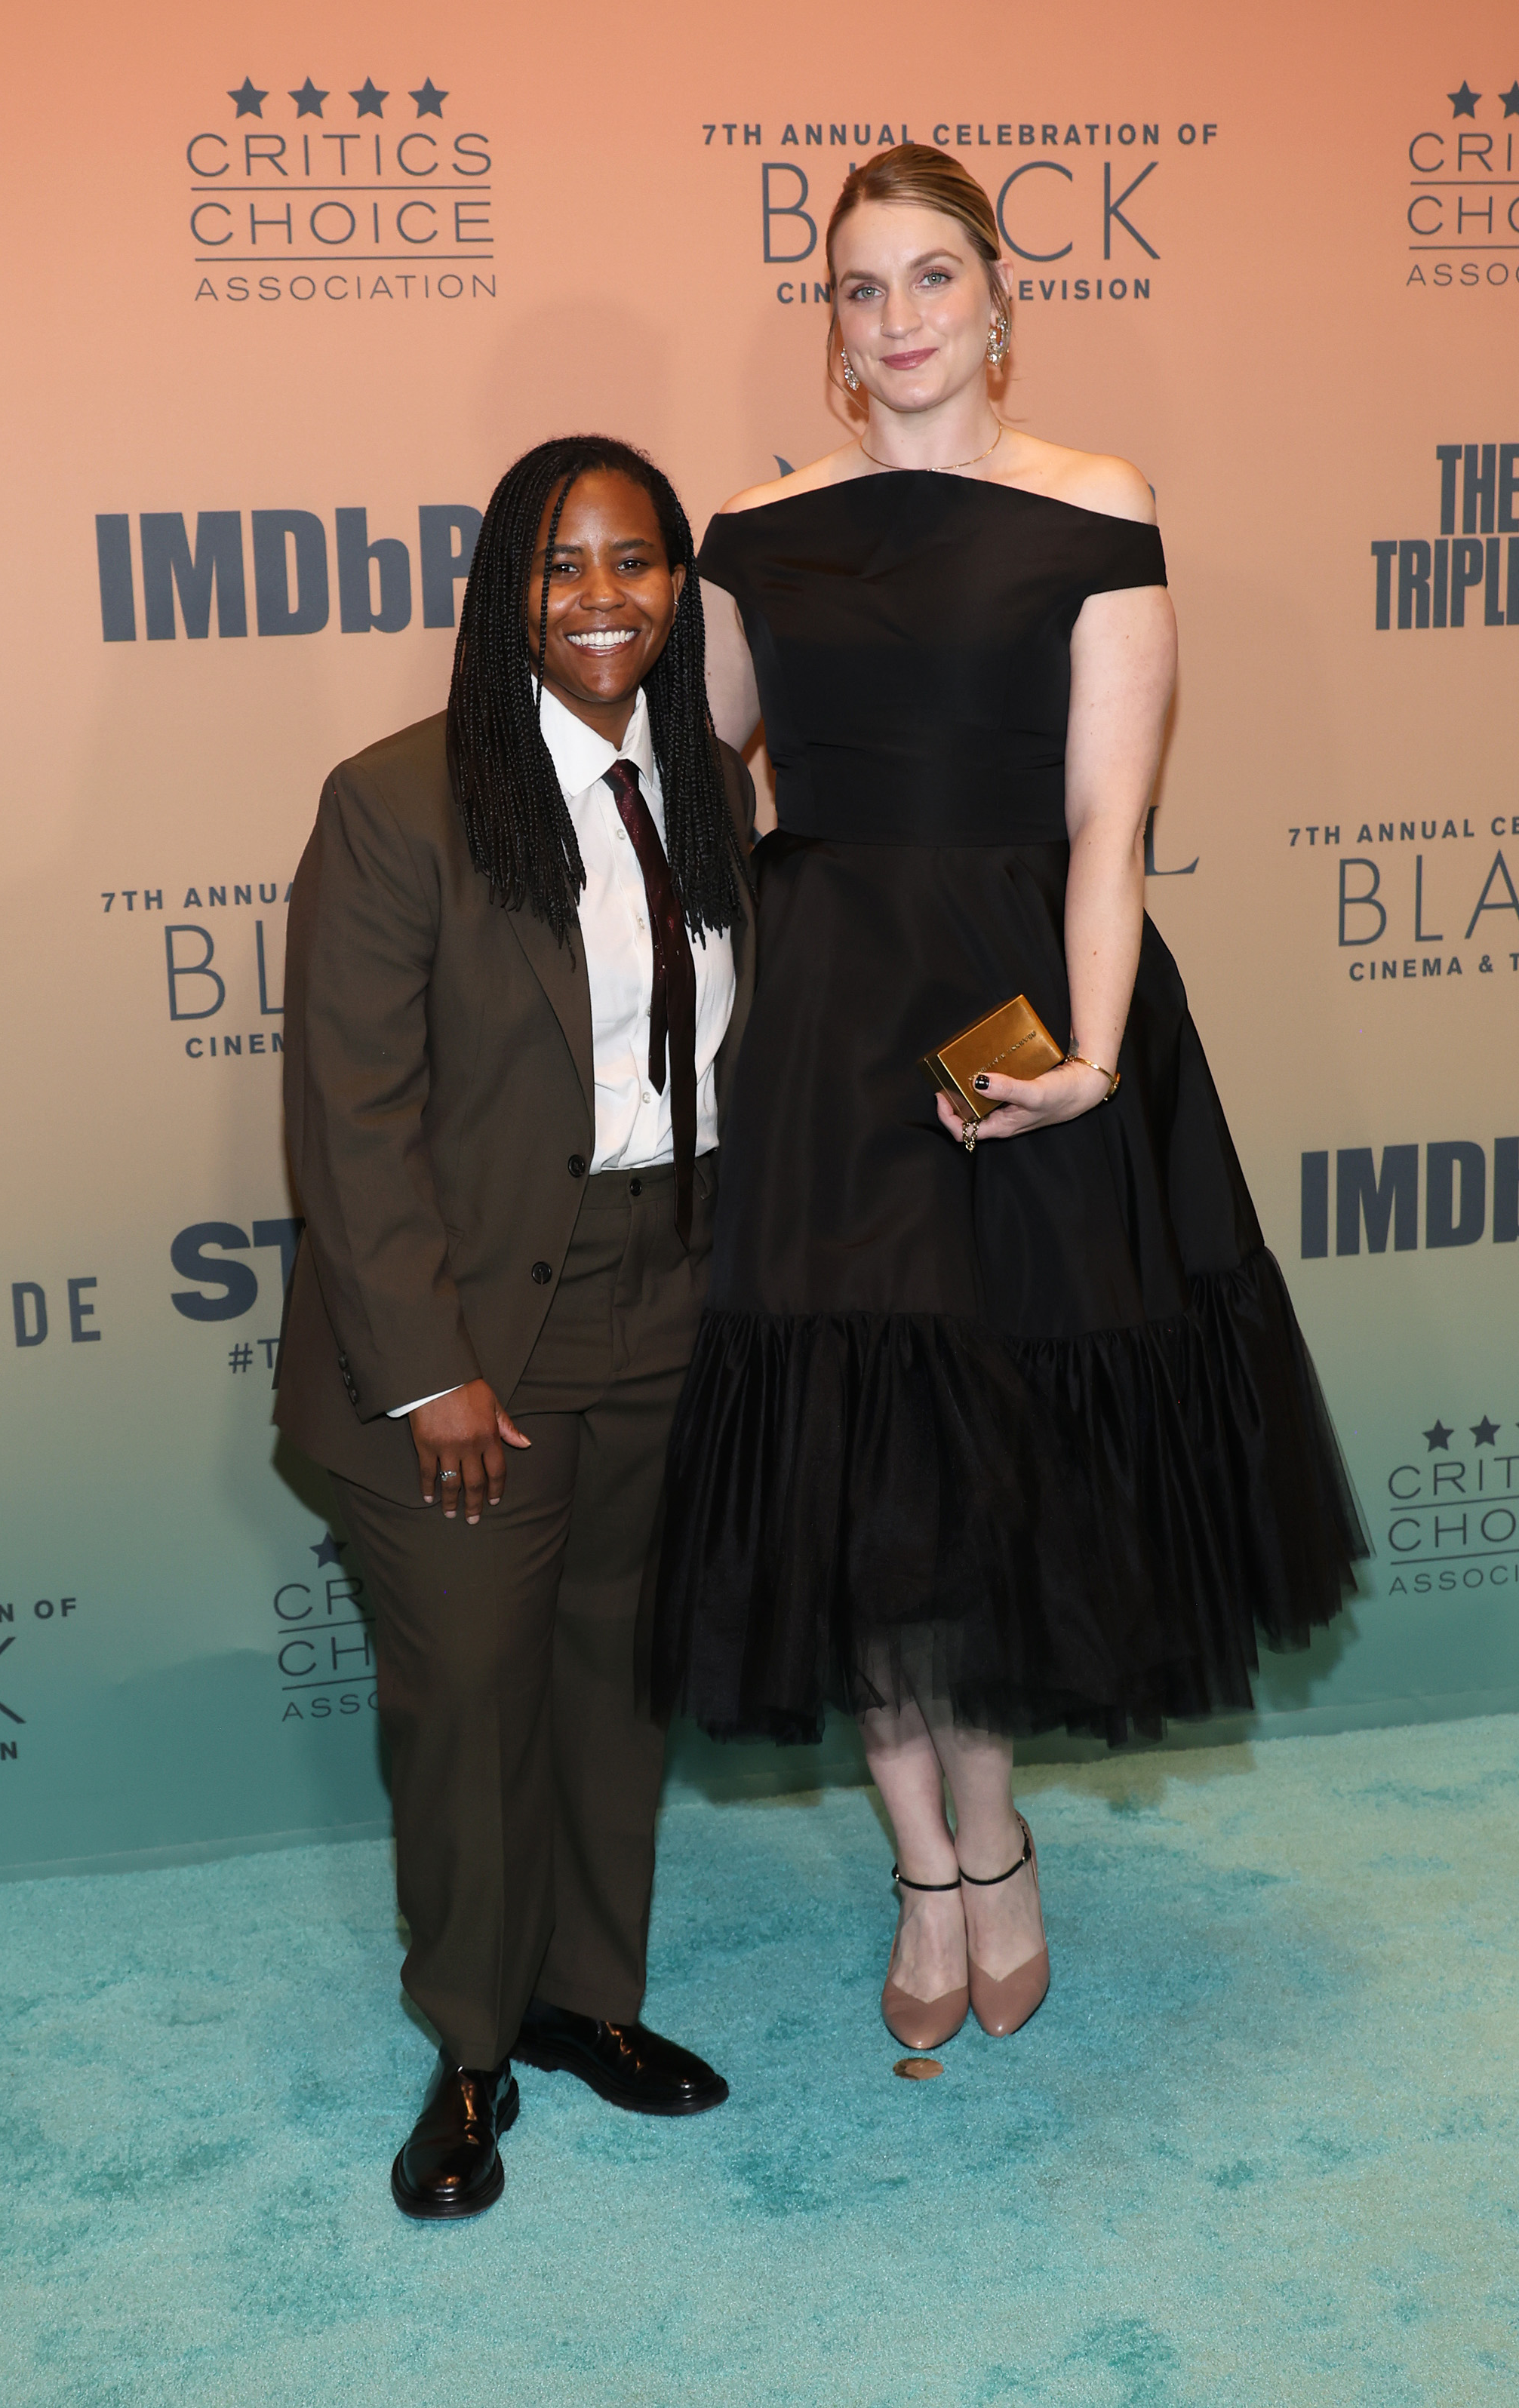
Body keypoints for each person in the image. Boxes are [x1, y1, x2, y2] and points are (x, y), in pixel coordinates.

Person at [652, 146, 1366, 2053]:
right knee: (854, 1467)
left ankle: (1000, 1837)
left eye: (928, 278)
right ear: (832, 324)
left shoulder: (1093, 507)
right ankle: (928, 1870)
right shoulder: (751, 527)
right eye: (859, 287)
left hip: (1018, 1020)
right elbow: (695, 779)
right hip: (816, 1035)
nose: (895, 319)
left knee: (989, 1461)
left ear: (994, 298)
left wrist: (1092, 1063)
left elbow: (1106, 823)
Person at [275, 435, 755, 2217]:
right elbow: (353, 1117)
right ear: (503, 594)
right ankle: (471, 2056)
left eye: (637, 561)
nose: (604, 597)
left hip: (667, 1302)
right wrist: (427, 1371)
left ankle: (581, 2004)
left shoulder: (707, 783)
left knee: (616, 1688)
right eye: (562, 565)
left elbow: (731, 1054)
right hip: (468, 1340)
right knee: (475, 1703)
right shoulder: (400, 802)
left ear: (679, 585)